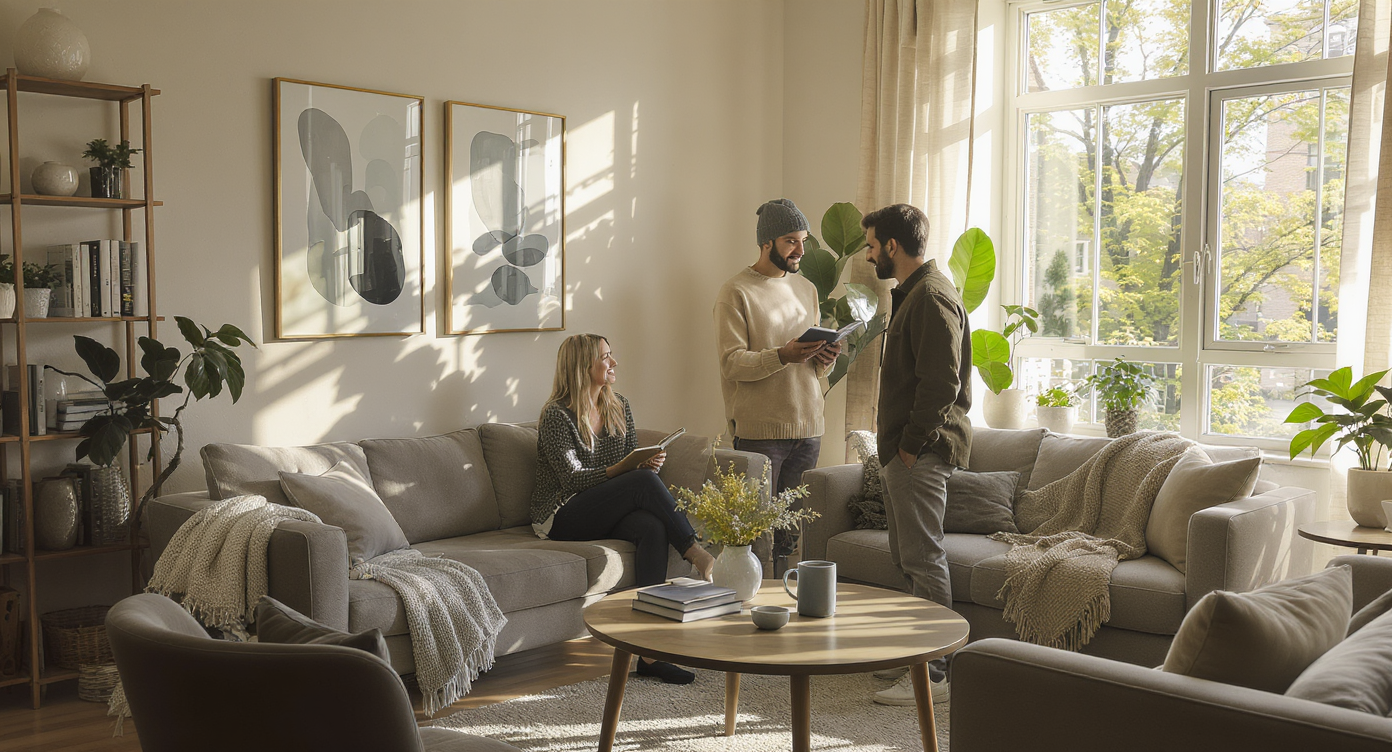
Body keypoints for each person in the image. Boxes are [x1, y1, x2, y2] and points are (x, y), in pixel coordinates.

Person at [531, 333, 716, 685]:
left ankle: (649, 651)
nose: (613, 363)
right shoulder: (557, 415)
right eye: (605, 357)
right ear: (582, 366)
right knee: (641, 484)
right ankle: (695, 551)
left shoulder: (620, 406)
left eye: (611, 355)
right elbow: (571, 479)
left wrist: (647, 465)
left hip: (603, 507)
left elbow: (629, 467)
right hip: (562, 514)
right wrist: (628, 472)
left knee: (652, 527)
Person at [861, 203, 972, 707]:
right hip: (904, 452)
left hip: (920, 452)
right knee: (909, 558)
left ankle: (934, 674)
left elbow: (942, 383)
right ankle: (916, 657)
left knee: (925, 560)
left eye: (871, 246)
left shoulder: (930, 296)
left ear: (892, 245)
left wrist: (909, 446)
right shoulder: (912, 293)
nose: (868, 256)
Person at [713, 198, 840, 573]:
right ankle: (752, 601)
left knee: (790, 536)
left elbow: (814, 369)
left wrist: (825, 359)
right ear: (766, 242)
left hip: (808, 428)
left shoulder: (807, 289)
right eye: (790, 241)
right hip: (760, 432)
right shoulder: (736, 292)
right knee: (755, 537)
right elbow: (731, 362)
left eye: (803, 240)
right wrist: (781, 355)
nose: (800, 249)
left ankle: (784, 601)